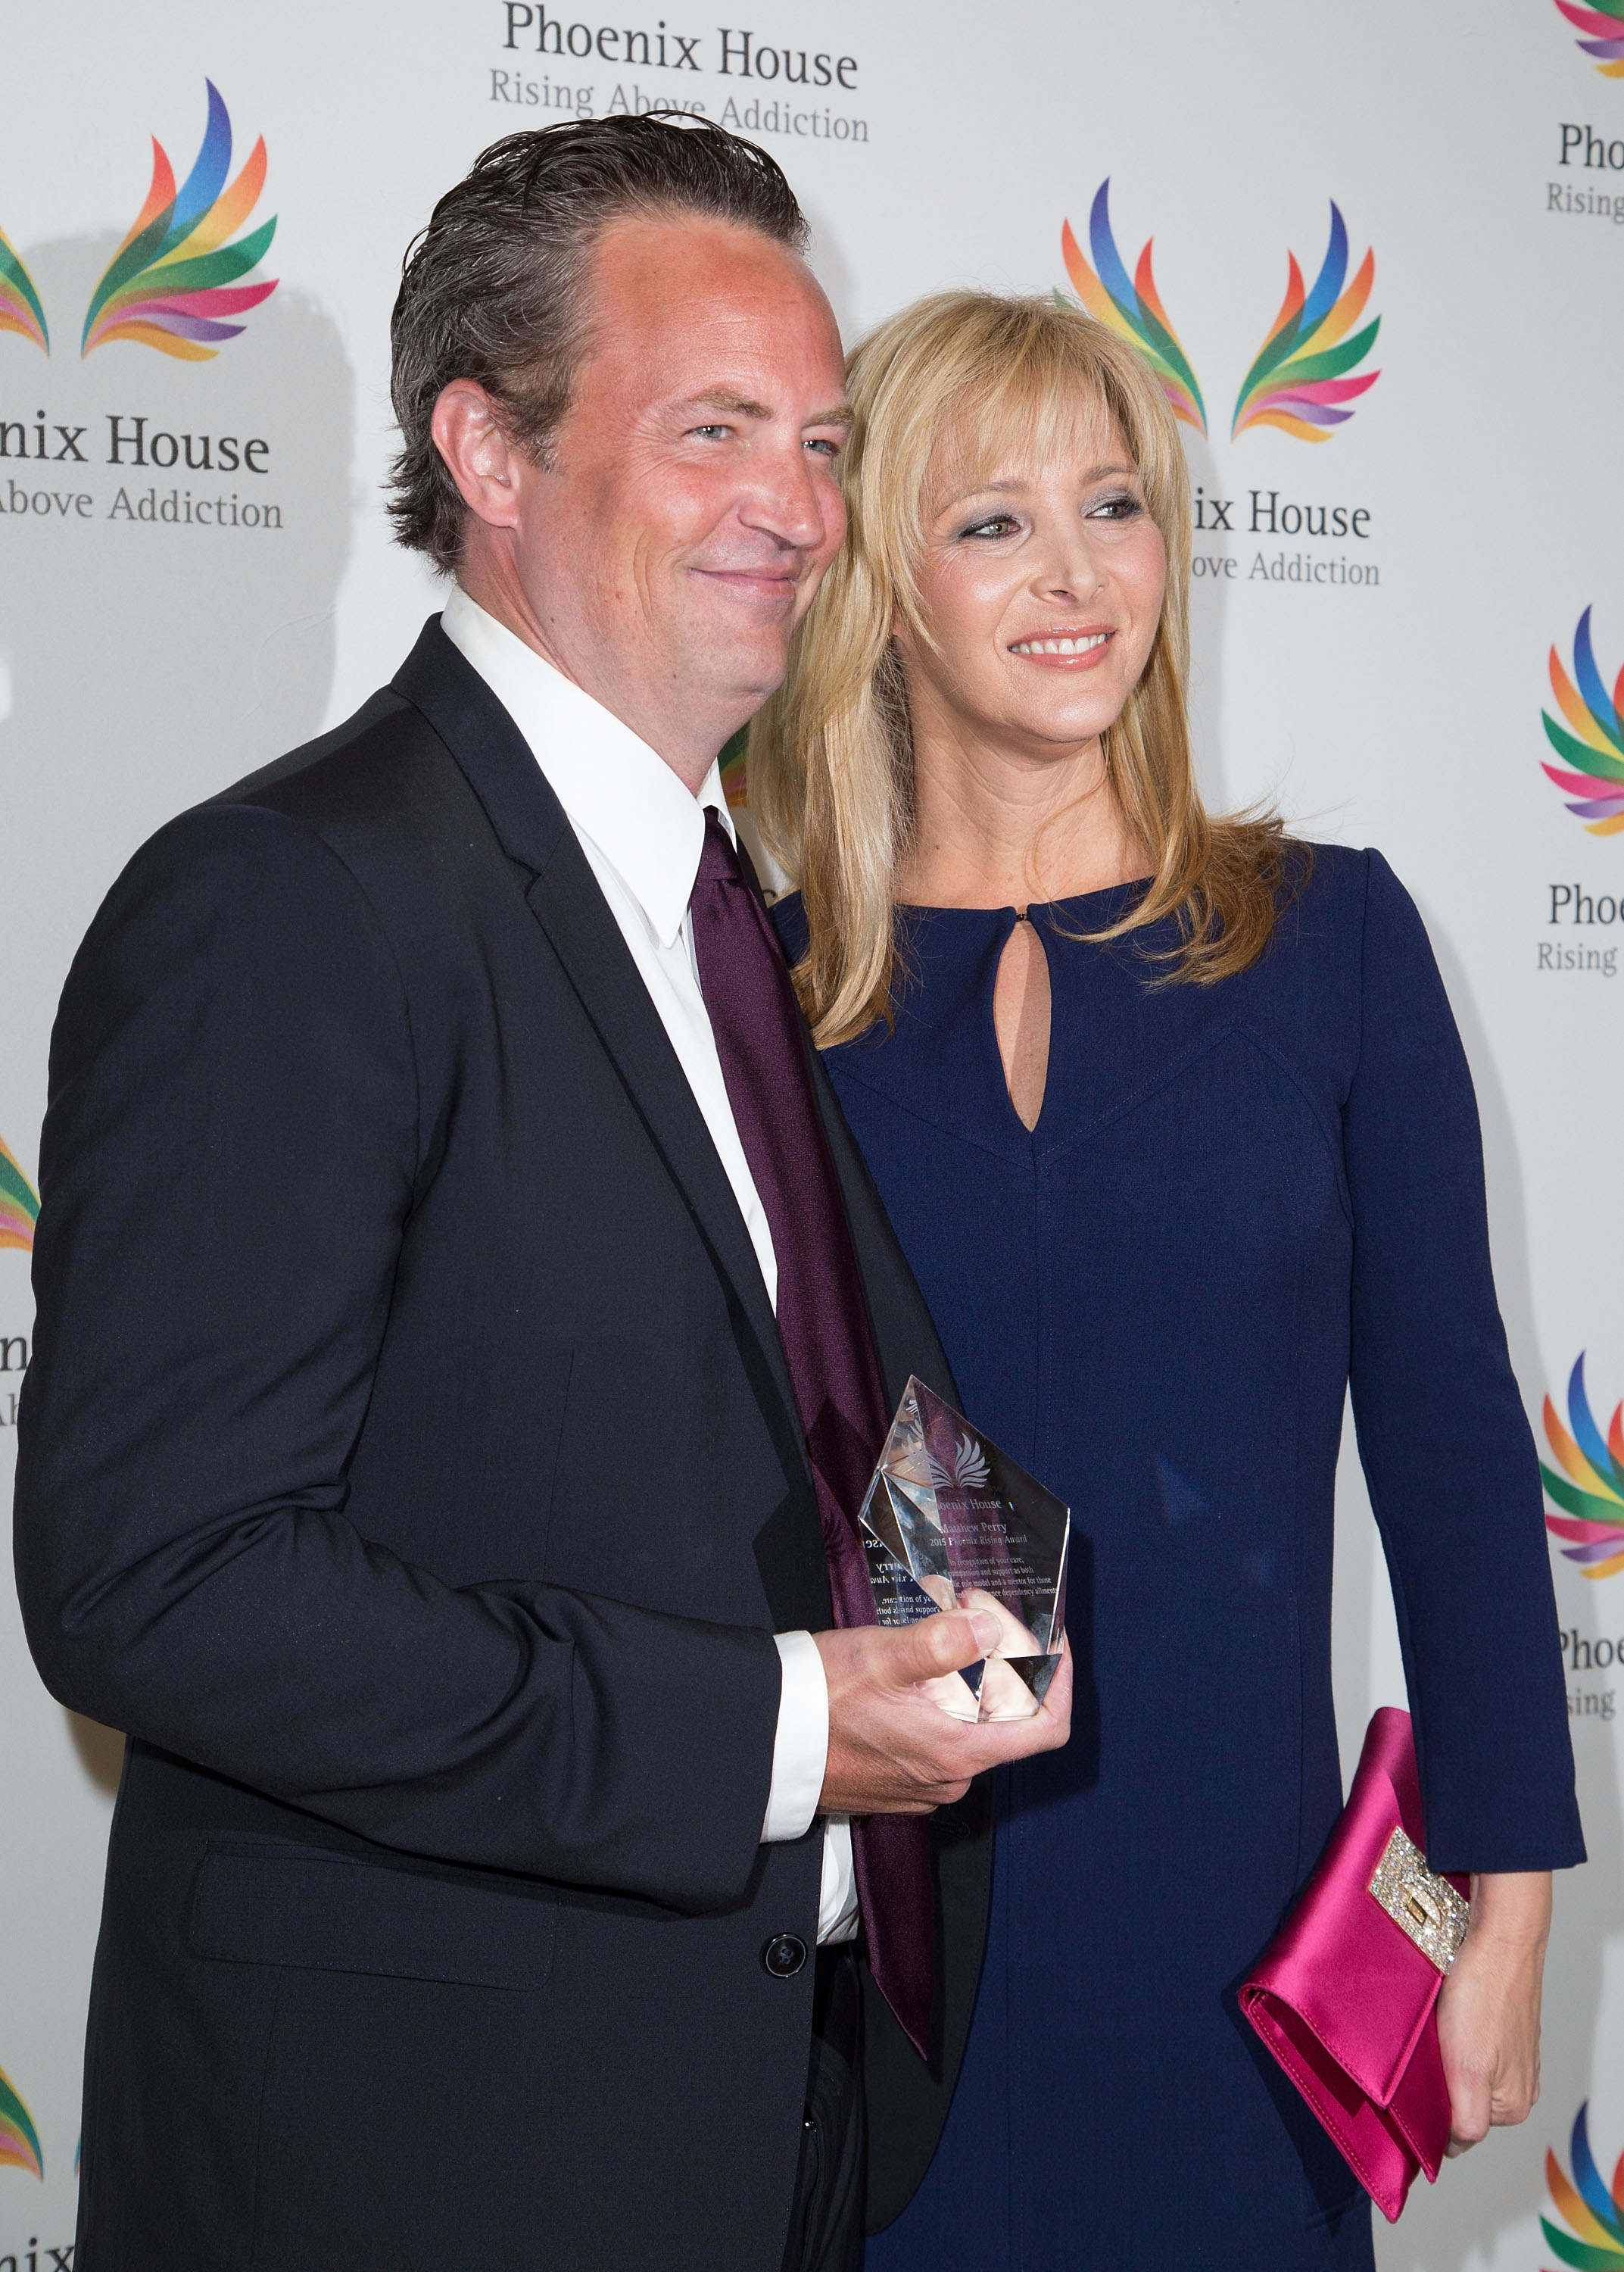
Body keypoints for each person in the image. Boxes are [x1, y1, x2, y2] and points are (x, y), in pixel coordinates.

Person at [12, 126, 1071, 2272]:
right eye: (711, 433)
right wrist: (780, 1727)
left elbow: (744, 1416)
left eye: (820, 439)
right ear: (485, 454)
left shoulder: (710, 906)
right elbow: (157, 1580)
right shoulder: (290, 900)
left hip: (762, 2113)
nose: (796, 507)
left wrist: (959, 1600)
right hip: (419, 2164)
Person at [750, 289, 1585, 2270]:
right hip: (875, 1967)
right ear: (881, 581)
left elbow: (1458, 1460)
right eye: (991, 521)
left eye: (1113, 505)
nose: (1074, 574)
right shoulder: (762, 997)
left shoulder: (1330, 945)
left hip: (1240, 1959)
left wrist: (1510, 1909)